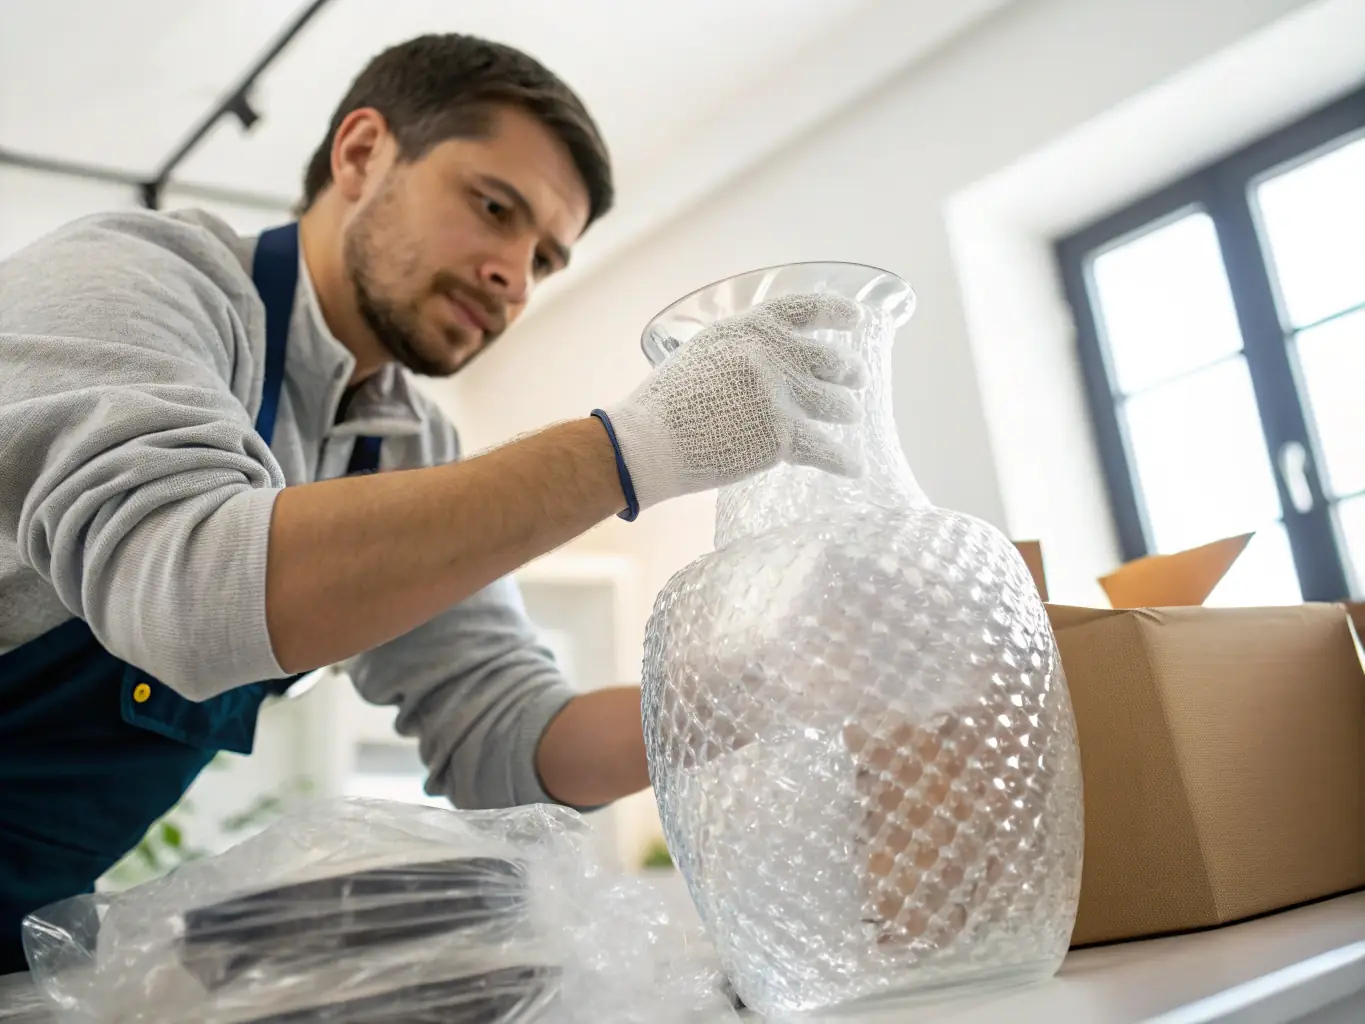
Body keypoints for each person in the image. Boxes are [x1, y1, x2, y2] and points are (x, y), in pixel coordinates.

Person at [0, 33, 869, 972]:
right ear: (363, 153)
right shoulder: (140, 278)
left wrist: (767, 691)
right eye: (494, 208)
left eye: (543, 261)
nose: (512, 275)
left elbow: (506, 738)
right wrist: (639, 448)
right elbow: (187, 588)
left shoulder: (408, 447)